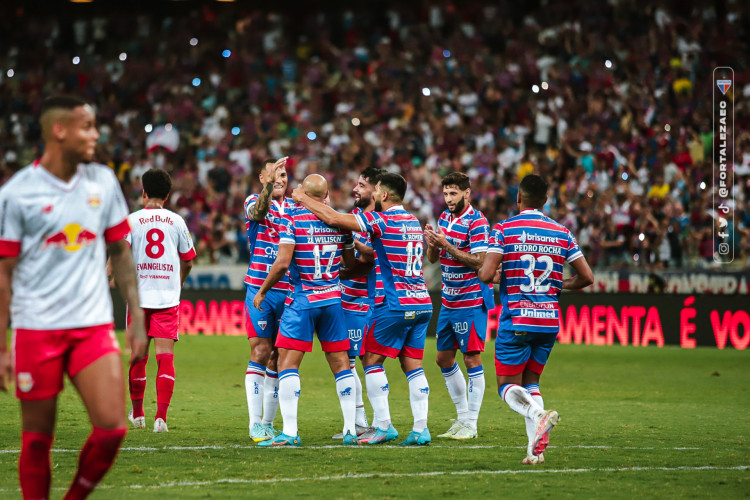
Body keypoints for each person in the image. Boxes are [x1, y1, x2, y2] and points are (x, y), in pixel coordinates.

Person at [0, 95, 148, 500]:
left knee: (113, 428)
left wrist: (135, 316)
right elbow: (4, 272)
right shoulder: (17, 194)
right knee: (35, 441)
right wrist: (1, 345)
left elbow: (120, 251)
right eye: (87, 127)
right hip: (36, 329)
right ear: (59, 131)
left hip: (92, 327)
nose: (96, 135)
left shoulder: (103, 181)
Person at [293, 172, 433, 446]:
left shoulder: (382, 219)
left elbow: (334, 220)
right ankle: (421, 429)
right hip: (422, 302)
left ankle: (383, 426)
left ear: (384, 195)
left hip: (394, 303)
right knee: (413, 365)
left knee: (370, 361)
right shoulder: (413, 221)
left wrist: (302, 198)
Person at [478, 174, 594, 465]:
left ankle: (537, 414)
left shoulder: (504, 229)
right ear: (545, 200)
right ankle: (534, 452)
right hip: (548, 321)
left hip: (517, 319)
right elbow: (587, 277)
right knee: (531, 383)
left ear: (518, 198)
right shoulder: (562, 232)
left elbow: (484, 274)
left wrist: (500, 274)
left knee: (506, 386)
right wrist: (559, 285)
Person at [253, 174, 357, 446]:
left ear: (303, 194)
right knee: (341, 365)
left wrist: (263, 290)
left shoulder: (293, 219)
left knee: (287, 364)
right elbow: (350, 262)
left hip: (302, 301)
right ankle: (349, 430)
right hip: (333, 300)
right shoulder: (340, 223)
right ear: (325, 196)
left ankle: (289, 431)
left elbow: (282, 263)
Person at [125, 168, 196, 433]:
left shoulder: (131, 221)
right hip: (167, 298)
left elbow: (119, 257)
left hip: (139, 298)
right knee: (165, 357)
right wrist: (178, 283)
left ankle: (139, 414)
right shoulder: (176, 221)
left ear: (143, 192)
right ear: (167, 196)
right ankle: (161, 419)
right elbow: (188, 259)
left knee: (138, 357)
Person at [424, 172, 494, 440]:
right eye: (445, 194)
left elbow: (480, 262)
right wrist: (432, 243)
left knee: (471, 358)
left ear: (467, 193)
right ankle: (462, 418)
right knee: (443, 358)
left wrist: (447, 245)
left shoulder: (477, 222)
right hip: (449, 300)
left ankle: (472, 424)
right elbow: (433, 259)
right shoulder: (444, 219)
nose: (449, 199)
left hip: (471, 300)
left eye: (453, 193)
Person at [332, 166, 382, 441]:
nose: (356, 189)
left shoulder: (377, 222)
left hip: (360, 302)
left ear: (376, 191)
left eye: (362, 185)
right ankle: (362, 422)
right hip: (344, 300)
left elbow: (367, 263)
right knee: (350, 362)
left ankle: (366, 423)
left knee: (355, 362)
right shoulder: (354, 218)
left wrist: (334, 272)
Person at [243, 156, 290, 442]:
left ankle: (268, 423)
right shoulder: (253, 200)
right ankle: (254, 423)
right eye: (274, 175)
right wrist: (268, 187)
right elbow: (258, 213)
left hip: (290, 290)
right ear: (263, 178)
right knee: (261, 351)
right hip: (259, 288)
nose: (280, 179)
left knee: (279, 356)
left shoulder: (296, 207)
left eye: (284, 175)